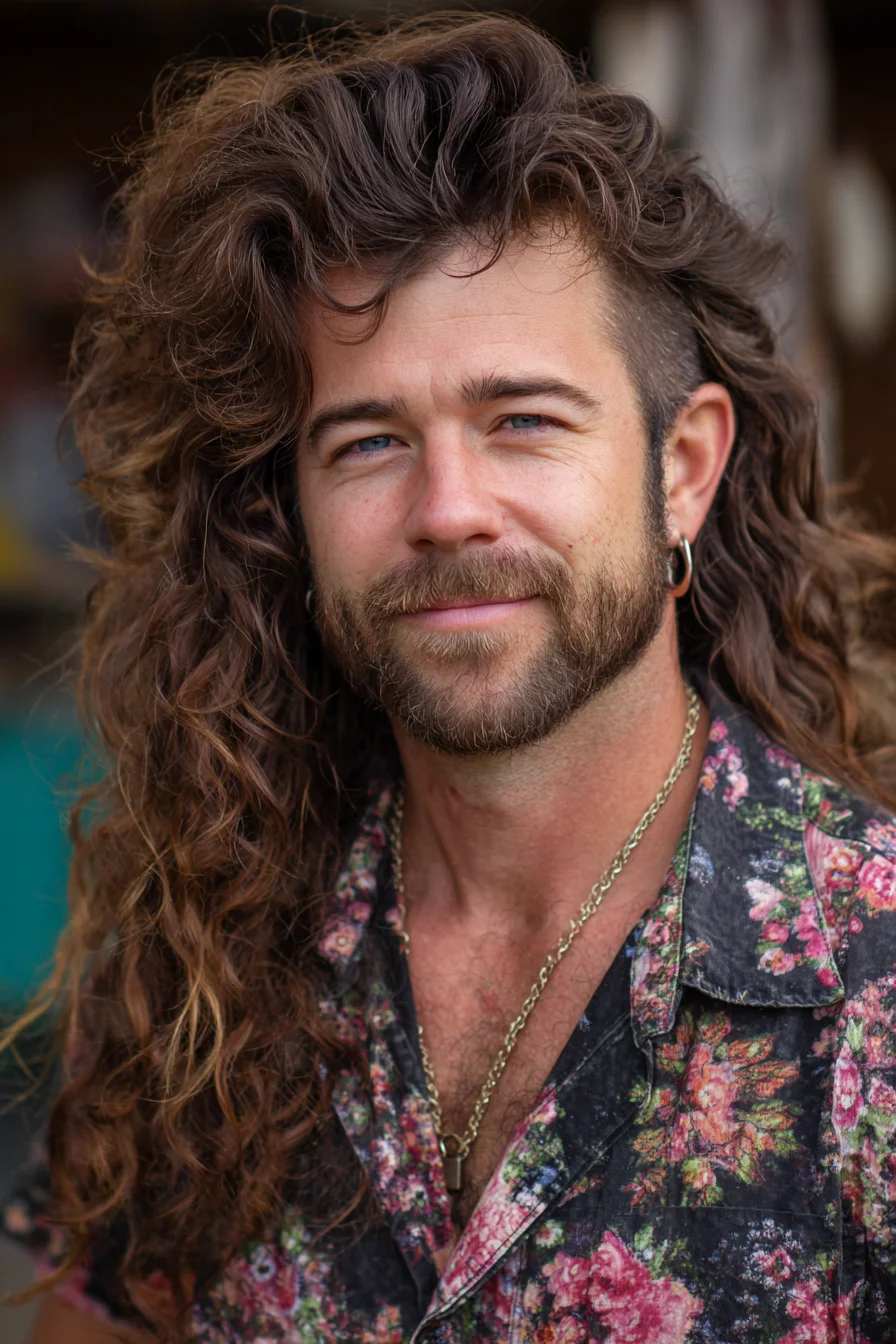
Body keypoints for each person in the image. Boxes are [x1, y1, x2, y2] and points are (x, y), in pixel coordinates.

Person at [4, 14, 896, 1343]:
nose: (448, 509)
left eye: (522, 421)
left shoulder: (877, 993)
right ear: (292, 510)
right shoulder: (197, 974)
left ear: (682, 470)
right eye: (367, 443)